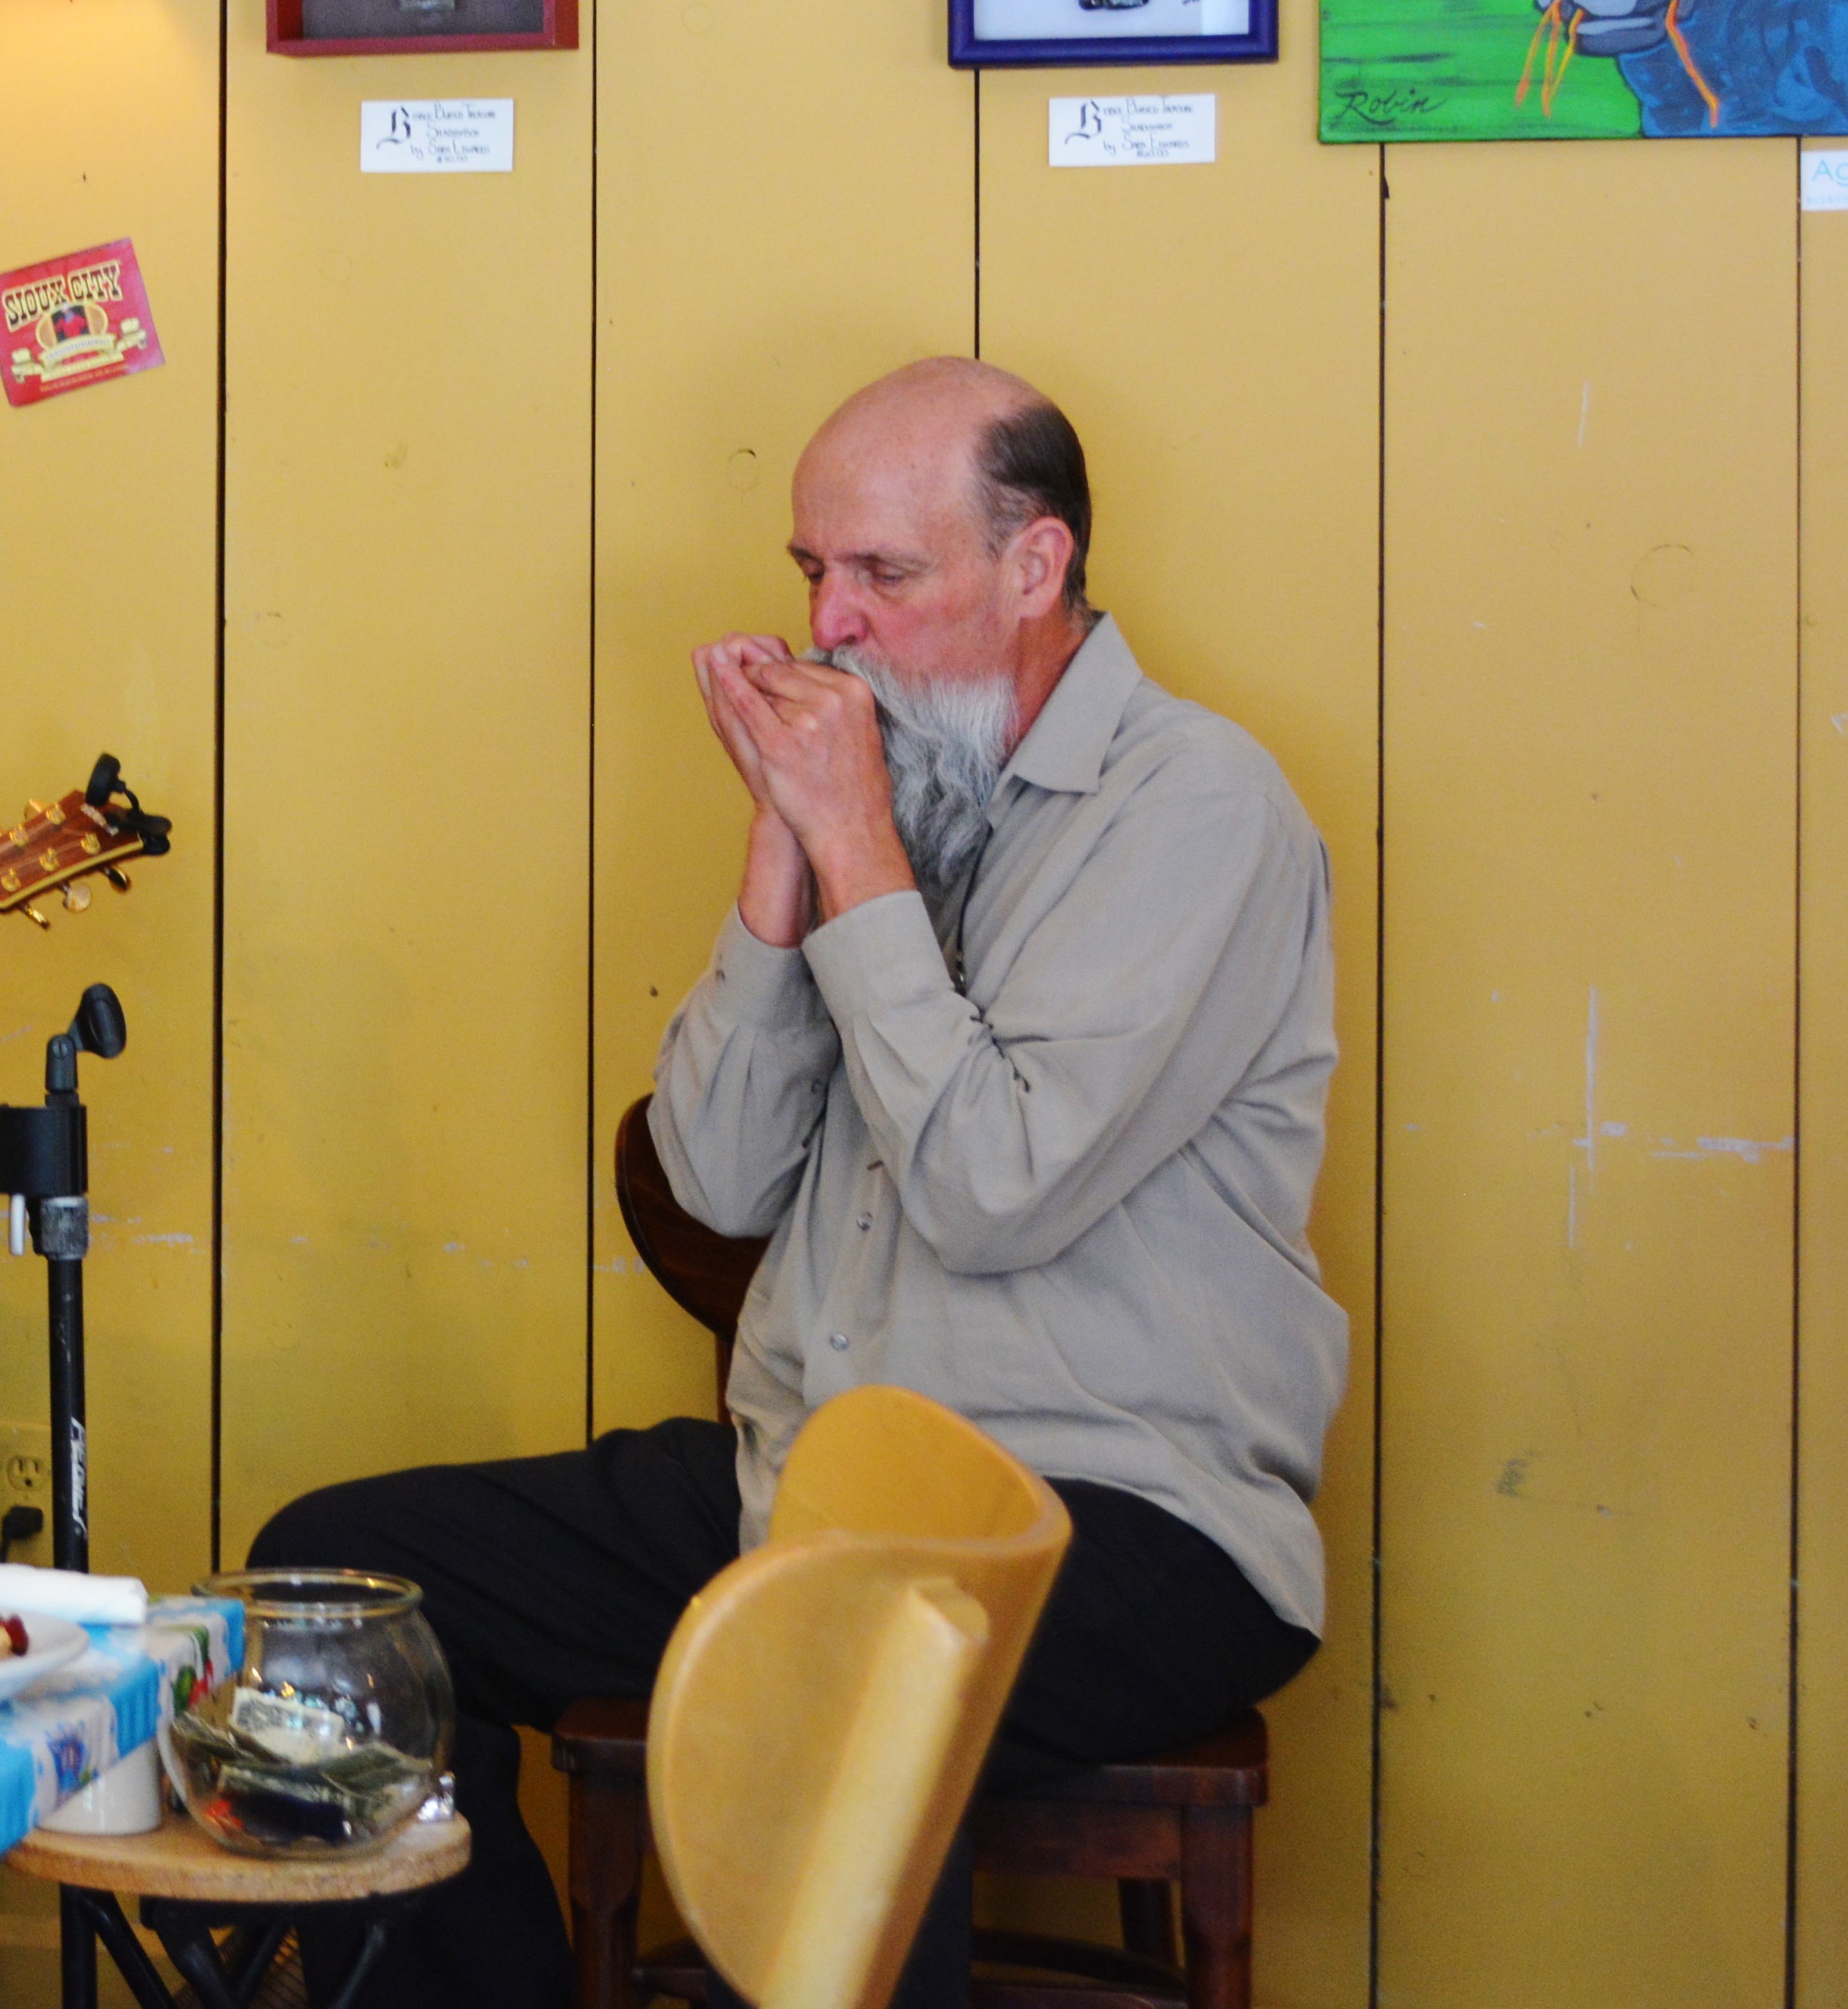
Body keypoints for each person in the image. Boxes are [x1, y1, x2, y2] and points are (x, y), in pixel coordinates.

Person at [254, 360, 1344, 2006]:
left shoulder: (1198, 804)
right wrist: (783, 855)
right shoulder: (881, 791)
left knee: (846, 1681)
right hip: (810, 1491)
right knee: (334, 1584)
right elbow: (720, 1176)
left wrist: (859, 853)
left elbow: (992, 1189)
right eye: (809, 574)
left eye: (884, 575)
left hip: (1110, 1515)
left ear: (1034, 567)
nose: (831, 627)